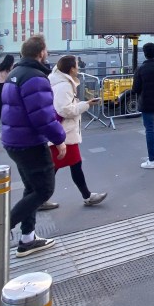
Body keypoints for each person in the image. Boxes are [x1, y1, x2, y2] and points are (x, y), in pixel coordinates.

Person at [1, 36, 67, 257]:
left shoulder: (14, 74)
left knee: (31, 189)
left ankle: (27, 238)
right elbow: (43, 116)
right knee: (44, 189)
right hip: (30, 143)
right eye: (46, 50)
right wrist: (59, 138)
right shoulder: (35, 78)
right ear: (41, 53)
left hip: (13, 140)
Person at [46, 55, 106, 208]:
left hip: (62, 132)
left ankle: (40, 197)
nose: (78, 68)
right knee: (71, 165)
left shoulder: (57, 81)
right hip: (65, 133)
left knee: (59, 166)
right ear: (71, 69)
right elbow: (65, 110)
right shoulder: (64, 85)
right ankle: (39, 197)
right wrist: (86, 105)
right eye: (77, 65)